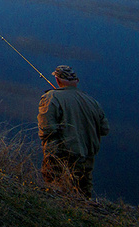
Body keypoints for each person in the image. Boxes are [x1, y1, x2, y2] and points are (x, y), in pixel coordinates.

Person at [38, 64, 108, 198]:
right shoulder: (93, 102)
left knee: (54, 192)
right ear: (76, 81)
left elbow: (46, 129)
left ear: (57, 81)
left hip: (59, 157)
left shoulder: (51, 97)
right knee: (83, 194)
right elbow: (104, 129)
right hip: (87, 157)